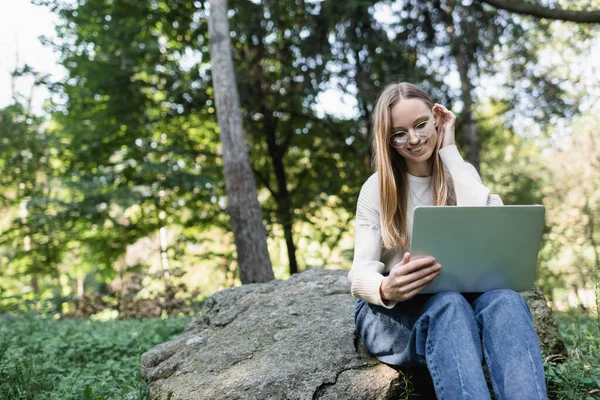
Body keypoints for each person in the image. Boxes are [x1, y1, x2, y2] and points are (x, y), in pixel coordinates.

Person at [348, 82, 547, 399]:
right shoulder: (377, 188)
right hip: (396, 313)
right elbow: (359, 275)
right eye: (399, 133)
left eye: (421, 124)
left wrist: (450, 151)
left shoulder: (459, 173)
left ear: (437, 119)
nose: (414, 139)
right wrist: (386, 287)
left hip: (461, 297)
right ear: (387, 140)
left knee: (506, 301)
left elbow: (490, 218)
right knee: (448, 305)